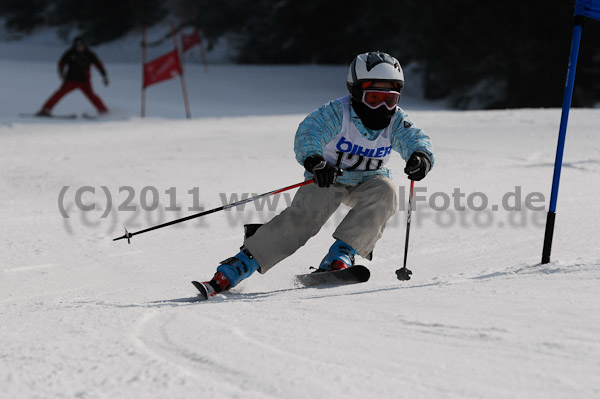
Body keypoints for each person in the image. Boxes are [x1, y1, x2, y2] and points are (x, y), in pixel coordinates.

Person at [198, 51, 434, 298]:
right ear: (355, 91)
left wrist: (421, 156)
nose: (383, 107)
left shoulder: (396, 120)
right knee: (305, 215)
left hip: (368, 180)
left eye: (390, 99)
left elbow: (415, 138)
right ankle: (238, 266)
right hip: (328, 177)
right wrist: (315, 160)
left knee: (386, 191)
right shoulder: (337, 112)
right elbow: (309, 133)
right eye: (374, 98)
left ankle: (341, 254)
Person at [36, 36, 109, 116]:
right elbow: (61, 63)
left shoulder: (89, 54)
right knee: (58, 94)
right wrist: (61, 73)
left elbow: (98, 65)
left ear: (84, 45)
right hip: (70, 81)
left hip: (85, 81)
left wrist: (104, 76)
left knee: (92, 96)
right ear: (75, 46)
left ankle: (103, 111)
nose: (80, 47)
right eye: (78, 46)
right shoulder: (70, 53)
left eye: (81, 46)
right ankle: (45, 110)